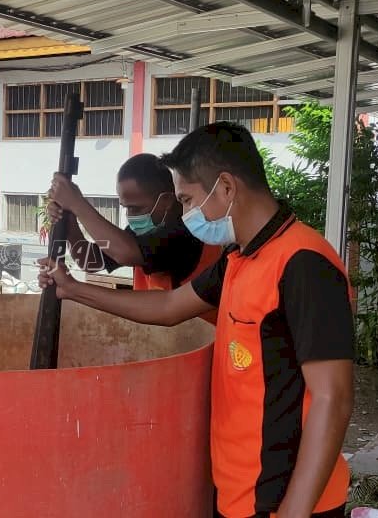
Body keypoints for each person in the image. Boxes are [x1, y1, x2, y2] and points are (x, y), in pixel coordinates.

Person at [39, 122, 354, 518]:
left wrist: (296, 510)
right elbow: (169, 307)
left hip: (284, 501)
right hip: (239, 490)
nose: (186, 215)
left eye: (187, 200)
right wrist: (72, 290)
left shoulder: (304, 263)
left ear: (226, 188)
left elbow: (333, 397)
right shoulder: (239, 257)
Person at [47, 153, 224, 296]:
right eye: (126, 208)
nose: (130, 216)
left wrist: (77, 203)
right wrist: (70, 220)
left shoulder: (185, 232)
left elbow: (125, 253)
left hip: (200, 329)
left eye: (135, 208)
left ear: (166, 201)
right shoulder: (143, 230)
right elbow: (90, 261)